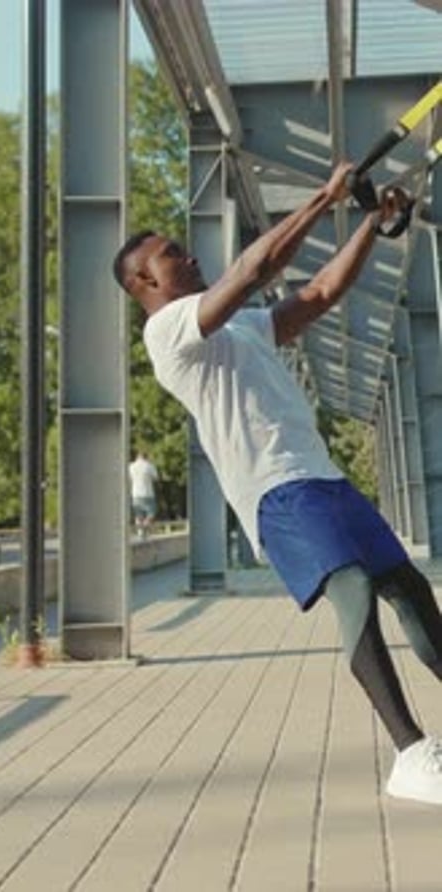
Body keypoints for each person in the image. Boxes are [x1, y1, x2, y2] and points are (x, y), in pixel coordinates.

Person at [113, 161, 442, 805]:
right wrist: (325, 197)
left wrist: (372, 225)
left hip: (323, 477)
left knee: (410, 591)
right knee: (351, 589)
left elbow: (318, 294)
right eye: (172, 255)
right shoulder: (167, 331)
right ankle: (411, 753)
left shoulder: (239, 326)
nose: (187, 255)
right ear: (145, 281)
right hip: (275, 492)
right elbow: (252, 270)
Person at [129, 451, 159, 538]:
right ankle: (145, 528)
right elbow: (156, 478)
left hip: (135, 494)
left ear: (137, 457)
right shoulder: (149, 466)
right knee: (151, 513)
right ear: (146, 457)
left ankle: (140, 532)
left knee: (138, 515)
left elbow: (129, 479)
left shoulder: (131, 466)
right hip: (148, 493)